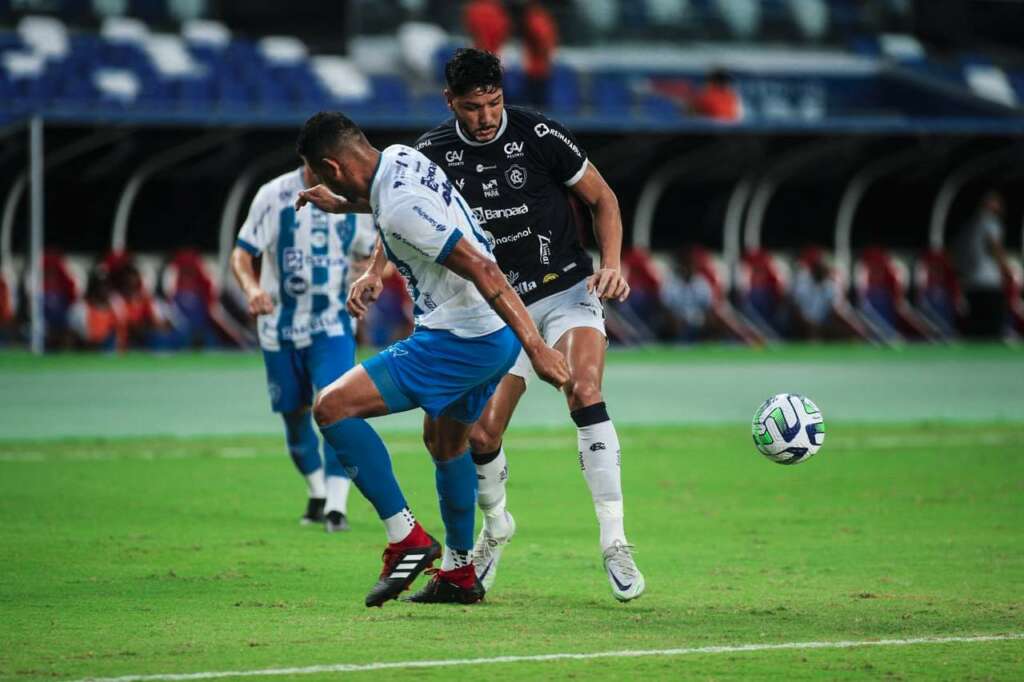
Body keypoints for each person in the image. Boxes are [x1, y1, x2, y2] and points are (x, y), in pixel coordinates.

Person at [293, 111, 569, 606]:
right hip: (491, 334)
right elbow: (392, 206)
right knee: (445, 441)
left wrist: (539, 348)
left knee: (331, 407)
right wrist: (343, 209)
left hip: (462, 338)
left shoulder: (397, 205)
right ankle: (461, 573)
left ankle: (406, 537)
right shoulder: (401, 157)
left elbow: (482, 266)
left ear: (332, 166)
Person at [412, 48, 645, 601]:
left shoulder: (540, 134)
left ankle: (615, 542)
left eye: (493, 103)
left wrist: (611, 265)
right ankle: (497, 530)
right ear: (451, 103)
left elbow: (603, 200)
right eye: (473, 107)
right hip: (495, 311)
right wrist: (373, 272)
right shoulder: (430, 154)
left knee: (584, 389)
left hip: (567, 292)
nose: (486, 117)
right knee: (482, 433)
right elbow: (393, 212)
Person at [231, 163, 376, 533]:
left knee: (336, 407)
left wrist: (370, 274)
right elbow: (242, 253)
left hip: (333, 324)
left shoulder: (352, 199)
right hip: (278, 329)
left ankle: (336, 507)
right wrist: (252, 290)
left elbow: (375, 253)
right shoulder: (273, 194)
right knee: (295, 418)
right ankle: (317, 492)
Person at [953, 191, 1012, 338]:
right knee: (992, 328)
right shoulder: (990, 222)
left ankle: (971, 359)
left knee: (975, 326)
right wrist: (1007, 269)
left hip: (970, 282)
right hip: (988, 281)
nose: (1000, 206)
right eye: (997, 203)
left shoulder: (969, 225)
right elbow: (994, 247)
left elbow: (957, 252)